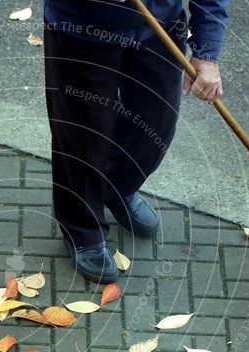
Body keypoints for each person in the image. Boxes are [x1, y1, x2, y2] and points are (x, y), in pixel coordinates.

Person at [43, 0, 230, 283]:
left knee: (155, 126)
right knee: (83, 137)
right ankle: (82, 229)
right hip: (81, 30)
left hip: (160, 28)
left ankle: (117, 189)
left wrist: (207, 52)